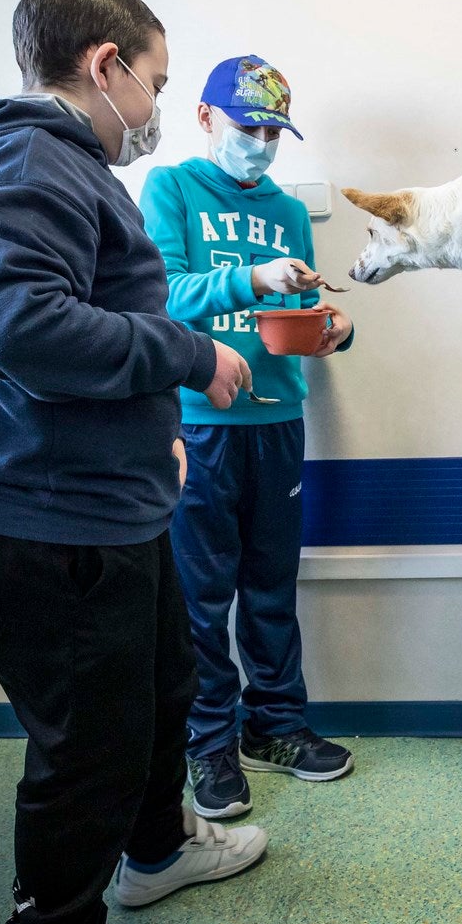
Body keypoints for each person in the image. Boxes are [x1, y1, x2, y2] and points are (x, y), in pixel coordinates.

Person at [0, 0, 266, 924]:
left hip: (99, 502)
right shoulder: (27, 157)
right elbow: (24, 331)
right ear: (105, 67)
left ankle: (160, 851)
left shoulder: (44, 163)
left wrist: (150, 433)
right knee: (85, 754)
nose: (149, 110)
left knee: (160, 687)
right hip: (40, 520)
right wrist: (192, 353)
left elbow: (10, 326)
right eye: (151, 82)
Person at [140, 56, 356, 821]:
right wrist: (249, 281)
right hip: (199, 424)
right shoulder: (168, 189)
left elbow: (296, 317)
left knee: (270, 589)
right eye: (247, 127)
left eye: (273, 131)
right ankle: (209, 746)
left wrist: (334, 330)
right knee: (200, 600)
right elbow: (159, 298)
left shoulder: (289, 211)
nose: (261, 144)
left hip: (277, 422)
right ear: (205, 120)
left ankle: (278, 728)